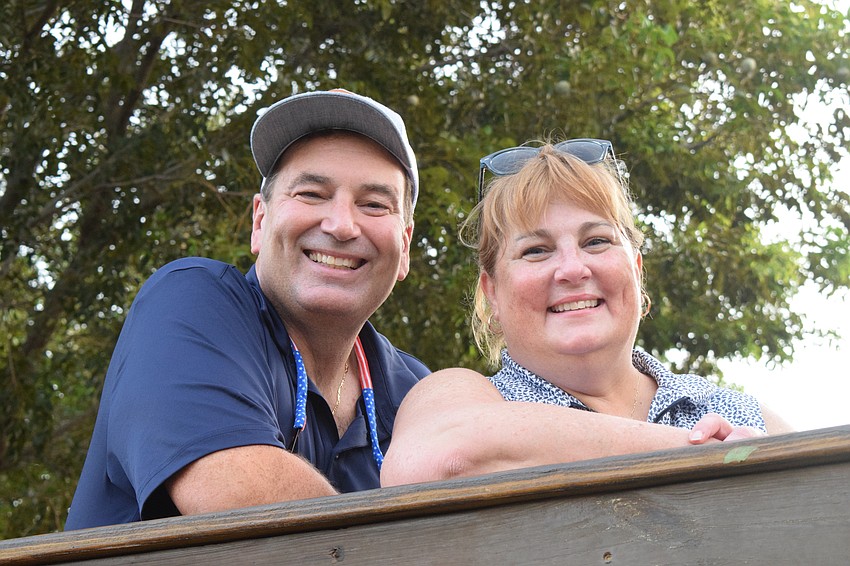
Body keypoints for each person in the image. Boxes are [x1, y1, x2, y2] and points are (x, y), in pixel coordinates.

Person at [65, 89, 429, 529]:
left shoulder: (416, 392)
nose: (341, 225)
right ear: (260, 222)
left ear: (404, 247)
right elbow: (243, 500)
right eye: (312, 193)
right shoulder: (189, 303)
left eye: (374, 204)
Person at [381, 139, 793, 486]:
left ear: (635, 268)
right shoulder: (460, 397)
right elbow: (430, 459)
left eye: (596, 241)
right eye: (536, 251)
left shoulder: (740, 414)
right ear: (492, 294)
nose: (574, 269)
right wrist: (708, 455)